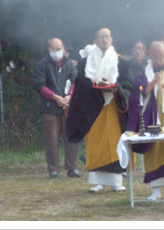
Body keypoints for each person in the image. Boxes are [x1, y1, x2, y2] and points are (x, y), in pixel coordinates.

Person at [66, 28, 132, 192]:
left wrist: (116, 89)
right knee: (96, 145)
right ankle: (98, 182)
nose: (104, 39)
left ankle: (117, 182)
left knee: (114, 144)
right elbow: (80, 87)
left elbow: (128, 85)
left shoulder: (121, 62)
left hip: (113, 108)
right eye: (101, 37)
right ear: (95, 41)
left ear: (112, 39)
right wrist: (94, 88)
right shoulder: (85, 63)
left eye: (107, 36)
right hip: (93, 109)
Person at [126, 41, 164, 201]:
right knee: (153, 152)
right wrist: (152, 82)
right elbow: (136, 93)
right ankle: (155, 190)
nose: (159, 58)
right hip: (151, 117)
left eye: (162, 54)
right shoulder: (143, 73)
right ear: (149, 55)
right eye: (155, 55)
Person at [32, 38, 81, 179]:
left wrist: (69, 96)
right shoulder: (42, 65)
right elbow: (39, 85)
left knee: (71, 139)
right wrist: (55, 97)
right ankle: (53, 169)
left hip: (68, 107)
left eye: (59, 48)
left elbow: (74, 81)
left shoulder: (69, 65)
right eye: (54, 49)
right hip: (49, 109)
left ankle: (72, 168)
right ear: (48, 50)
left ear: (63, 48)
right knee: (51, 140)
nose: (57, 52)